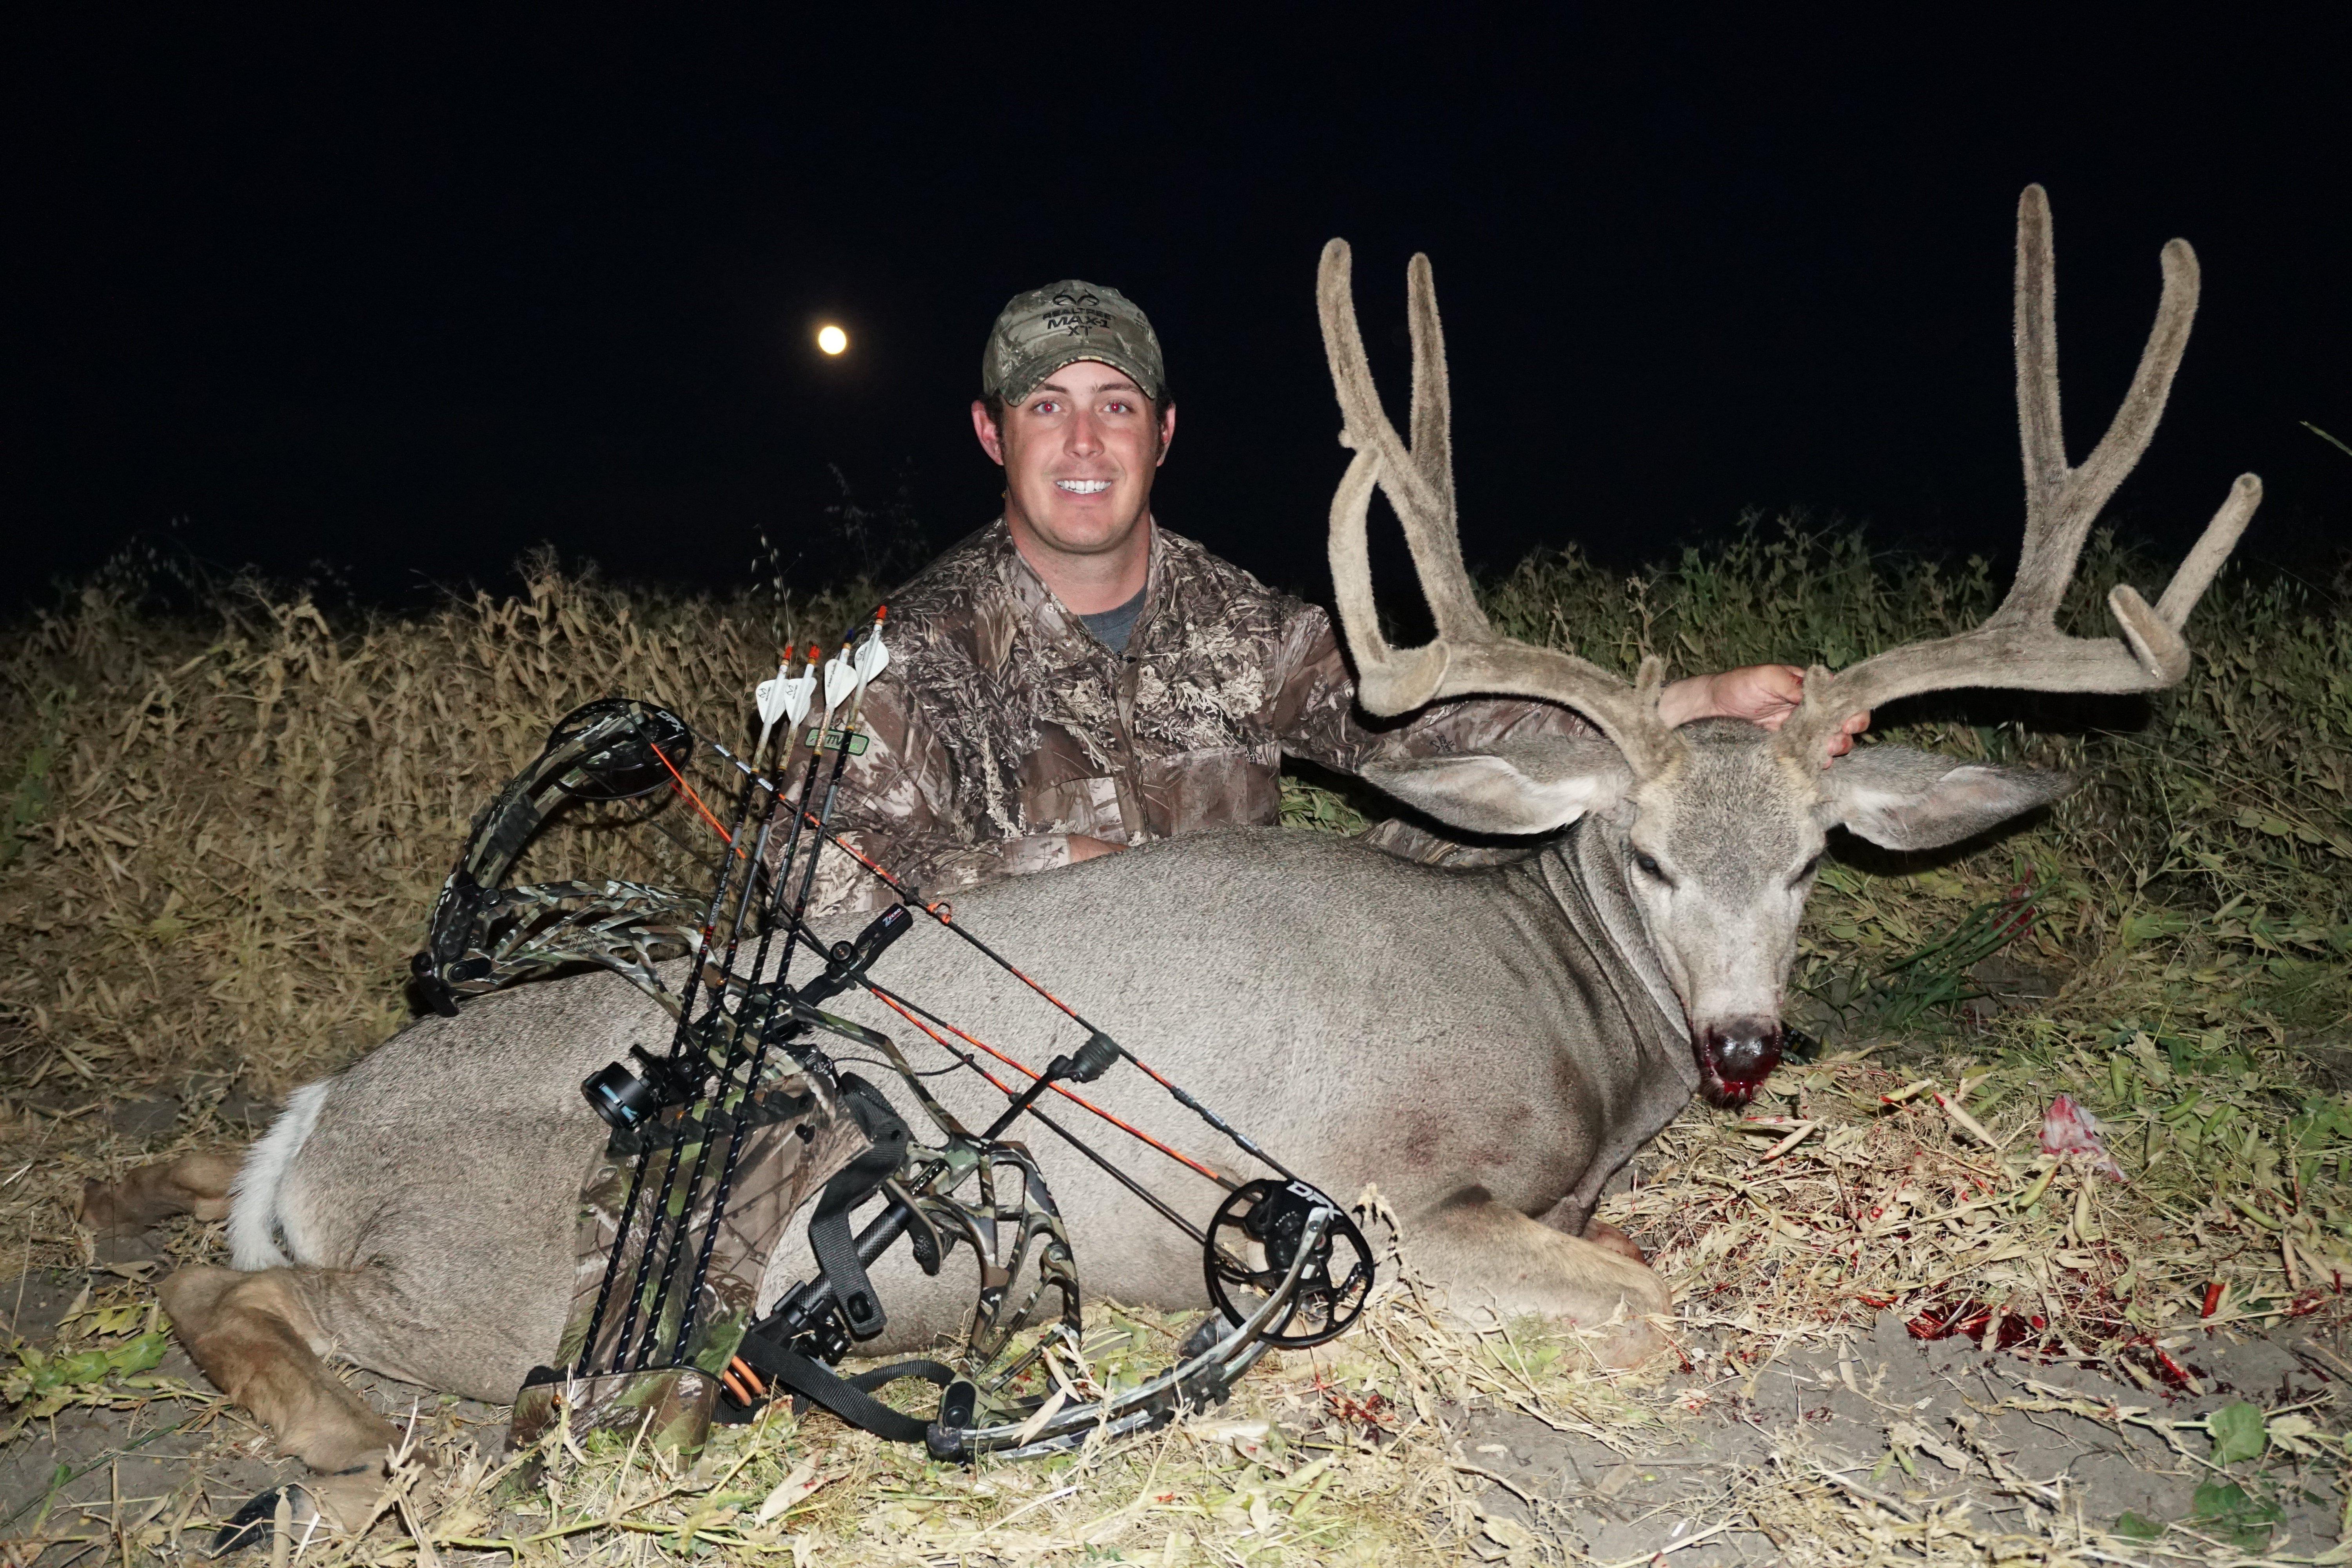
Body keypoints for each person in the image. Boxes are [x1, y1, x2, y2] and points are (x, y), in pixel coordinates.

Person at [803, 280, 1865, 916]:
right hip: (1058, 1020)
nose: (1085, 444)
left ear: (1161, 435)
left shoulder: (1239, 621)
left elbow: (1421, 730)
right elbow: (816, 877)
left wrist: (1692, 702)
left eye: (1115, 407)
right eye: (1047, 407)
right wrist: (1061, 866)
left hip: (1273, 971)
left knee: (1520, 828)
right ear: (994, 434)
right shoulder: (909, 651)